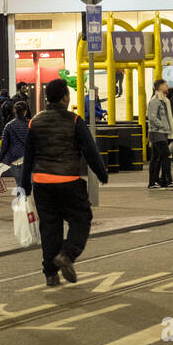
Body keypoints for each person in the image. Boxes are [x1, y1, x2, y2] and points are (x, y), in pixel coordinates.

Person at [20, 77, 108, 287]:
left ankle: (51, 274)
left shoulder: (35, 122)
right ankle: (67, 255)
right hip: (68, 181)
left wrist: (25, 186)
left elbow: (28, 157)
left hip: (42, 183)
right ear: (65, 98)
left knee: (50, 228)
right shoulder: (74, 121)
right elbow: (90, 150)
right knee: (81, 218)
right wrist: (101, 173)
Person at [147, 78, 173, 190]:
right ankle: (167, 180)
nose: (167, 87)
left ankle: (154, 182)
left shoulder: (164, 100)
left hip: (161, 133)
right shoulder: (155, 100)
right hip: (157, 133)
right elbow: (152, 118)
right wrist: (163, 126)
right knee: (167, 155)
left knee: (157, 158)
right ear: (160, 87)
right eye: (165, 85)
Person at [0, 100, 31, 196]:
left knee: (19, 184)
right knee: (26, 185)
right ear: (26, 111)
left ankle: (21, 204)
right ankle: (25, 204)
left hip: (14, 159)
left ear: (14, 111)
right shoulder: (31, 124)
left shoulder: (8, 126)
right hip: (27, 158)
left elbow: (4, 146)